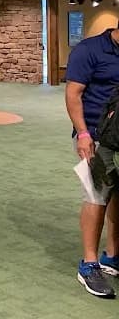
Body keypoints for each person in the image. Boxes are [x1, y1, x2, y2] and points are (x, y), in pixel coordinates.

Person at [65, 24, 119, 297]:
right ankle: (89, 263)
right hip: (96, 138)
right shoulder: (89, 50)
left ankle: (112, 255)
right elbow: (73, 94)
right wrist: (83, 134)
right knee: (97, 196)